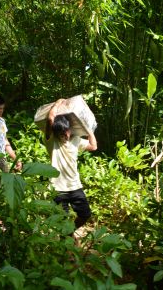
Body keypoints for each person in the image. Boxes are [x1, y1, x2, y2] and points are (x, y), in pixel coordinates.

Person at [45, 98, 97, 231]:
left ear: (69, 129)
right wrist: (57, 103)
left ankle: (69, 233)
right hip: (57, 188)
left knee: (85, 215)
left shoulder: (76, 140)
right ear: (56, 133)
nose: (65, 136)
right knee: (62, 220)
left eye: (66, 132)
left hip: (75, 186)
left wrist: (88, 129)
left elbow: (93, 146)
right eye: (61, 134)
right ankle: (66, 240)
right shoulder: (51, 141)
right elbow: (50, 119)